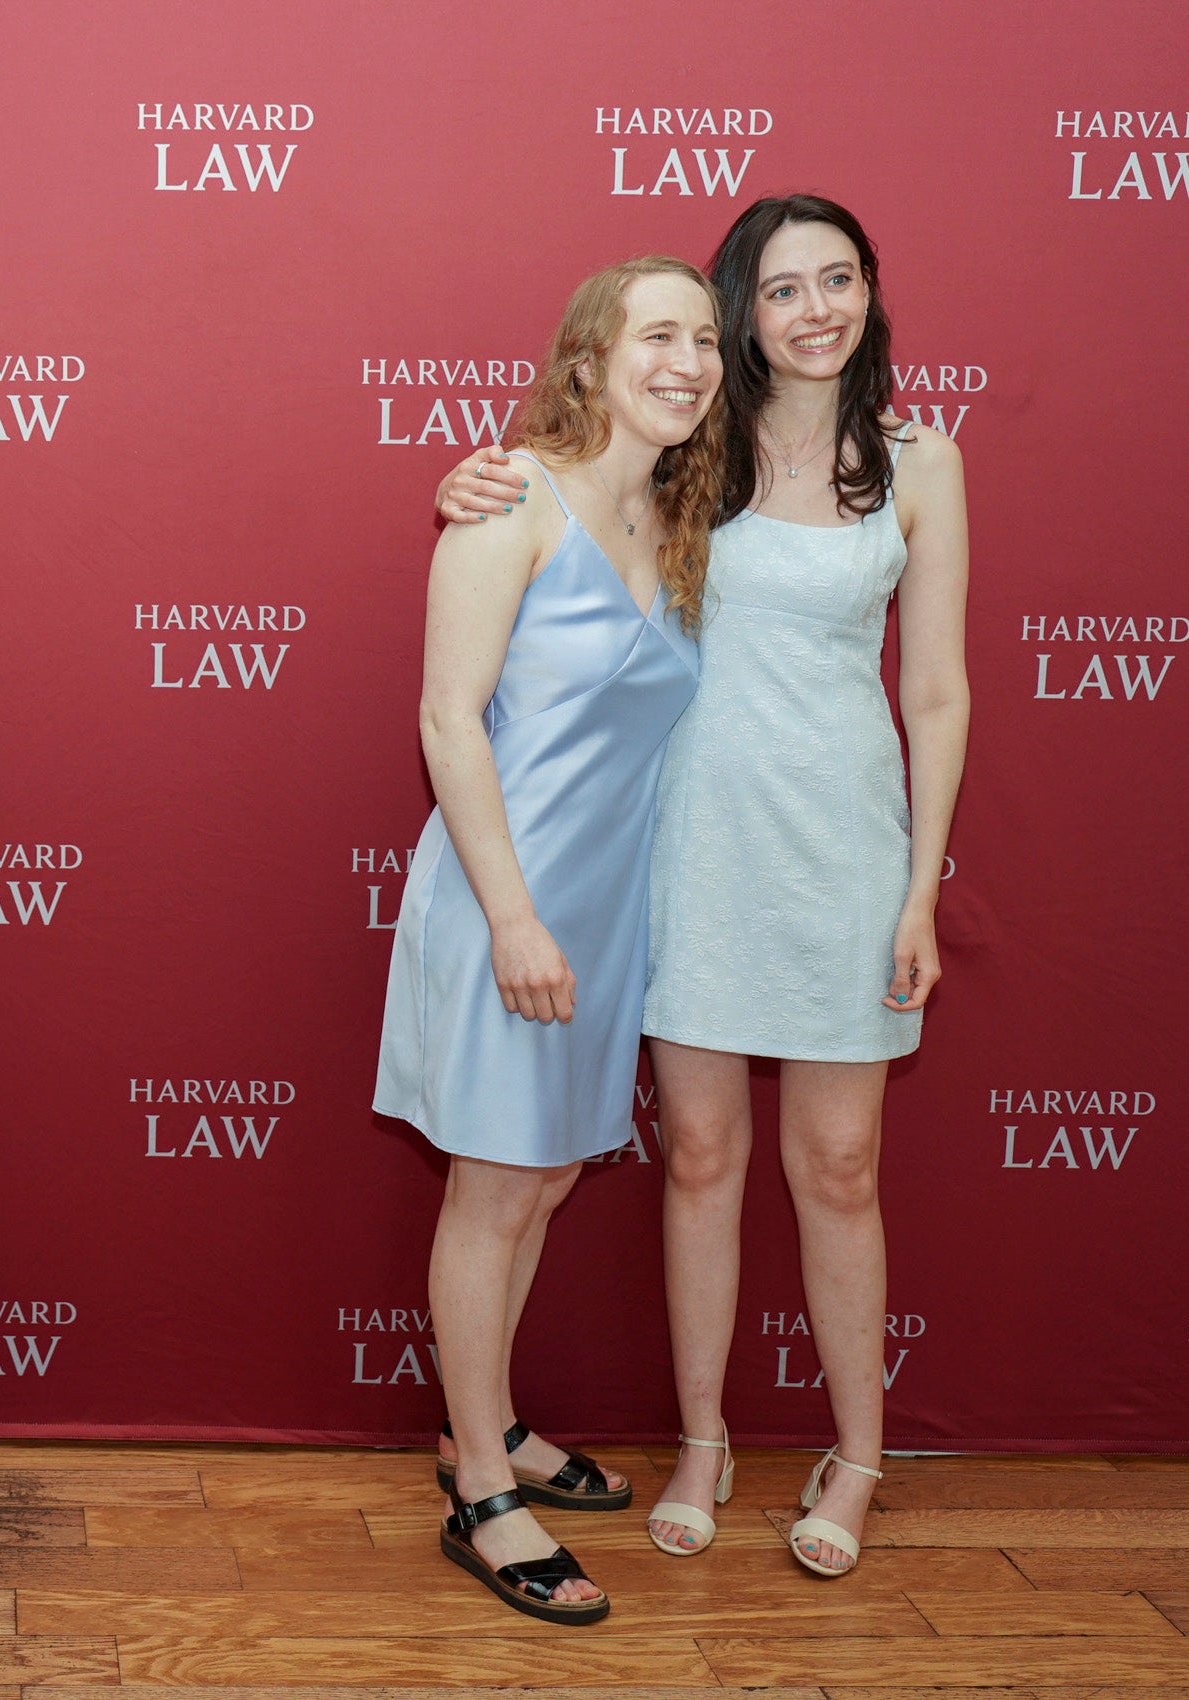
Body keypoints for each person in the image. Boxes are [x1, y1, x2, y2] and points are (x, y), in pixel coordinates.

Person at [436, 196, 970, 1579]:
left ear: (867, 295)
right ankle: (702, 1442)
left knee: (839, 1167)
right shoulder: (691, 453)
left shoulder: (921, 460)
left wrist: (919, 891)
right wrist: (469, 482)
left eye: (836, 280)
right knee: (701, 1160)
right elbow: (559, 500)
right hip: (683, 853)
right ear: (743, 315)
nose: (812, 311)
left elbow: (935, 687)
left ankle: (854, 1456)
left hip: (844, 849)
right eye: (780, 289)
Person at [378, 256, 723, 1624]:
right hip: (499, 903)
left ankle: (491, 1421)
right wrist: (512, 919)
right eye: (656, 334)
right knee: (492, 1188)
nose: (686, 359)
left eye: (702, 337)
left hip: (602, 922)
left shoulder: (688, 518)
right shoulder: (510, 496)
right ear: (586, 361)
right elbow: (444, 720)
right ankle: (479, 1488)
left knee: (544, 1182)